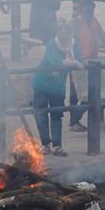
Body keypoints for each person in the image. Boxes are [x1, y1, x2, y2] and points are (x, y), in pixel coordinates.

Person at [32, 28, 82, 156]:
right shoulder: (52, 44)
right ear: (58, 37)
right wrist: (74, 63)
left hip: (58, 87)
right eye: (62, 39)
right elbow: (56, 63)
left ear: (70, 37)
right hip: (41, 84)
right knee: (41, 114)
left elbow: (81, 62)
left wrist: (76, 62)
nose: (64, 42)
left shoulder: (74, 45)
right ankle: (45, 144)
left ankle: (57, 146)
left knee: (56, 115)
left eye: (66, 39)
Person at [67, 0, 105, 132]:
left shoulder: (95, 22)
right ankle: (74, 121)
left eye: (92, 11)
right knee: (75, 93)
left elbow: (104, 38)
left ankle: (81, 118)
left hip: (93, 64)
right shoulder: (74, 23)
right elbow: (70, 44)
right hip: (77, 63)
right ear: (82, 10)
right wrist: (76, 61)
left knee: (92, 92)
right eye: (87, 11)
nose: (90, 13)